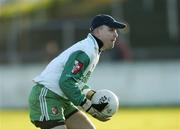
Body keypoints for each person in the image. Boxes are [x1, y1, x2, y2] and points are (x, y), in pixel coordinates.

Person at [28, 14, 126, 129]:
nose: (116, 34)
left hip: (62, 99)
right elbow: (66, 82)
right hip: (47, 96)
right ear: (98, 32)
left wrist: (93, 95)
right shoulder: (87, 50)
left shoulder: (93, 50)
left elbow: (76, 83)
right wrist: (89, 107)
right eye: (111, 30)